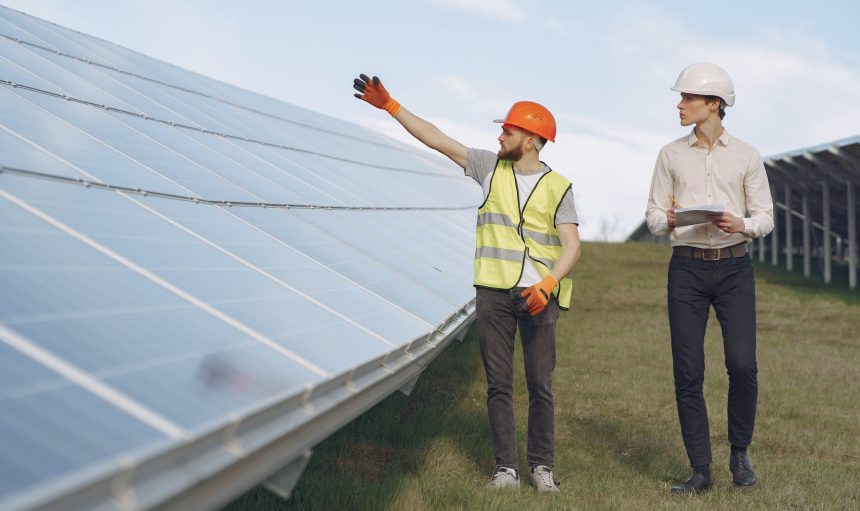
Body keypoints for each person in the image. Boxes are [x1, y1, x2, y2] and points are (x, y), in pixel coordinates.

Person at [352, 74, 581, 492]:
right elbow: (438, 140)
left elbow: (572, 247)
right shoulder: (488, 166)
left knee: (540, 384)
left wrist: (547, 285)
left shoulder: (558, 187)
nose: (500, 134)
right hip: (493, 292)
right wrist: (391, 106)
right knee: (498, 383)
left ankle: (542, 468)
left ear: (530, 139)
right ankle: (506, 469)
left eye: (508, 130)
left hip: (538, 297)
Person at [645, 63, 774, 494]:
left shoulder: (747, 155)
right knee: (688, 371)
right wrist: (665, 218)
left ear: (713, 104)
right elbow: (652, 215)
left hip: (735, 267)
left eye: (687, 98)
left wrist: (743, 225)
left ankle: (740, 451)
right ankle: (701, 469)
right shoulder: (670, 154)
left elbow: (766, 216)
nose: (679, 105)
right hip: (686, 269)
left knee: (742, 365)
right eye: (680, 98)